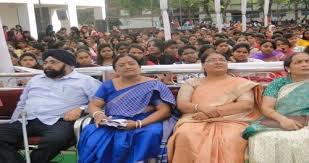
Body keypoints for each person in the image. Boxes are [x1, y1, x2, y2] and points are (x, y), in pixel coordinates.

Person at [0, 49, 101, 163]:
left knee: (56, 140)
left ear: (68, 64)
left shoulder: (86, 81)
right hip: (27, 120)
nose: (48, 65)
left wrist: (82, 109)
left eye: (53, 62)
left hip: (60, 121)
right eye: (46, 62)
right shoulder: (35, 80)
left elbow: (101, 103)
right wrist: (14, 121)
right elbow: (22, 103)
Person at [78, 54, 176, 163]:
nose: (127, 67)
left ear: (139, 67)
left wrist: (138, 124)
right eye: (122, 65)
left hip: (146, 121)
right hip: (113, 121)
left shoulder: (153, 85)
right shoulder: (108, 85)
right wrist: (98, 115)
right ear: (116, 70)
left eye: (131, 63)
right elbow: (94, 104)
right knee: (91, 132)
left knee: (150, 133)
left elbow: (164, 111)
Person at [167, 52, 262, 163]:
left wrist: (214, 112)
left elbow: (246, 104)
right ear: (203, 66)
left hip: (232, 120)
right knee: (185, 134)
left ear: (227, 64)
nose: (218, 62)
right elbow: (183, 105)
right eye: (212, 60)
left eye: (222, 60)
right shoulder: (191, 83)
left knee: (231, 138)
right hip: (195, 119)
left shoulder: (241, 83)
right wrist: (200, 108)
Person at [243, 52, 309, 163]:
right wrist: (283, 120)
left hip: (306, 121)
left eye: (307, 61)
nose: (305, 64)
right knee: (264, 138)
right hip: (280, 120)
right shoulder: (278, 83)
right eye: (299, 62)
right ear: (288, 68)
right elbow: (267, 108)